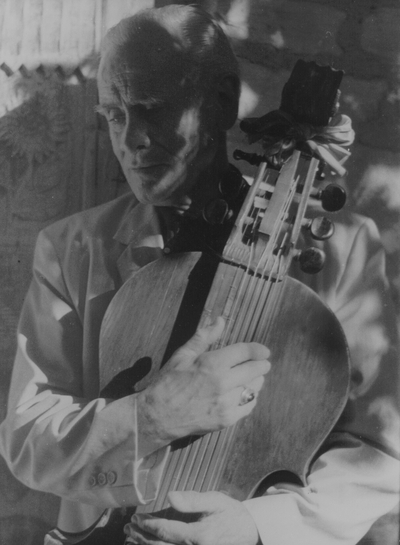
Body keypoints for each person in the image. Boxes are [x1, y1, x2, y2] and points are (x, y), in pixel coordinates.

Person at [0, 5, 399, 545]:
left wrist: (257, 526)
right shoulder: (71, 249)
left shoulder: (344, 251)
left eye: (153, 109)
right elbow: (27, 440)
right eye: (115, 115)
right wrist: (151, 416)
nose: (132, 139)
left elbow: (381, 450)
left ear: (224, 102)